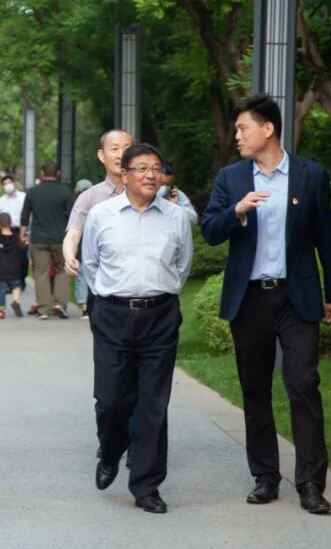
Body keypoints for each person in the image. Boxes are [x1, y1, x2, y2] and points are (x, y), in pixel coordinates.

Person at [201, 93, 331, 515]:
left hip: (296, 297)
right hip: (249, 299)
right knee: (255, 389)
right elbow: (210, 230)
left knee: (303, 384)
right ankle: (265, 476)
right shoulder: (231, 178)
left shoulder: (310, 175)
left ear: (268, 129)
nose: (237, 136)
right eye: (236, 129)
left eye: (243, 128)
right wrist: (237, 211)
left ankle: (311, 484)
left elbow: (325, 237)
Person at [85, 143, 192, 515]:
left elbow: (182, 266)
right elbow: (91, 265)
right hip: (113, 315)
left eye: (156, 168)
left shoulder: (176, 217)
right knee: (111, 400)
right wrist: (111, 297)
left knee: (153, 404)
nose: (150, 175)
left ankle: (147, 485)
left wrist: (157, 293)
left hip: (160, 316)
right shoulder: (101, 215)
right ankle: (111, 451)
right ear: (125, 173)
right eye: (142, 168)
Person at [63, 130, 133, 321]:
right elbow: (73, 233)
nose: (120, 154)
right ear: (102, 155)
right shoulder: (89, 197)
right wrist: (70, 257)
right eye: (114, 149)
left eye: (126, 148)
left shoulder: (147, 194)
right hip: (103, 291)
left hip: (143, 290)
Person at [20, 161, 74, 319]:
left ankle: (43, 309)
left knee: (40, 272)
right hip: (60, 238)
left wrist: (23, 234)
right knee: (62, 270)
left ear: (42, 174)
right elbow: (73, 215)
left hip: (39, 238)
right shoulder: (65, 192)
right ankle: (60, 304)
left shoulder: (33, 192)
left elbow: (25, 216)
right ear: (58, 173)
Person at [0, 213, 27, 319]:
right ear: (11, 223)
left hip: (1, 269)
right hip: (15, 268)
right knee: (17, 286)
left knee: (1, 290)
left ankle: (1, 310)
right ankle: (15, 301)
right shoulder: (16, 238)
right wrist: (26, 243)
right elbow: (22, 249)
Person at [70, 179, 93, 316]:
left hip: (79, 245)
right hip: (93, 245)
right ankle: (92, 304)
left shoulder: (76, 206)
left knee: (81, 276)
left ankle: (84, 306)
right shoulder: (99, 204)